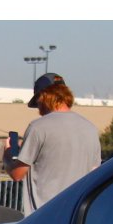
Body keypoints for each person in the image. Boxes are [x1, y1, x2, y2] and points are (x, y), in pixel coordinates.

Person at [6, 73, 101, 214]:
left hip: (43, 216)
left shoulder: (38, 127)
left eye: (37, 102)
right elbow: (94, 171)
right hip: (75, 216)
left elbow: (17, 174)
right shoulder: (90, 129)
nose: (38, 110)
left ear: (43, 97)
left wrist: (8, 154)